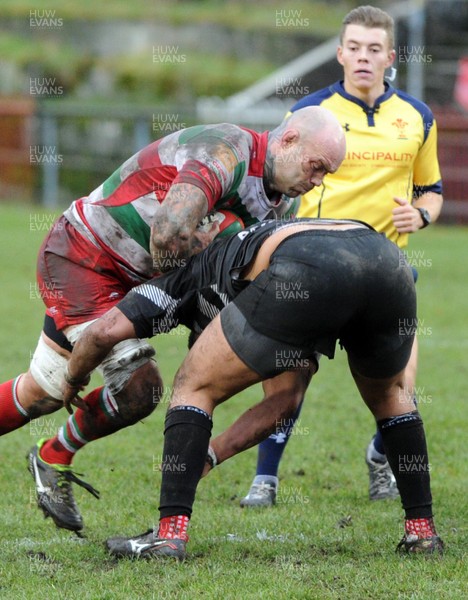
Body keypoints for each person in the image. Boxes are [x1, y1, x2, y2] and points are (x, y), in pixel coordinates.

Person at [0, 106, 345, 533]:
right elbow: (166, 235)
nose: (318, 181)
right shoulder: (226, 153)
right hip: (86, 258)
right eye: (317, 167)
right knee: (141, 388)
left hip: (138, 275)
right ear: (289, 140)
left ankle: (50, 455)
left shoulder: (284, 202)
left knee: (44, 392)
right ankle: (54, 454)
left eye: (326, 174)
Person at [59, 218, 443, 559]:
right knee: (393, 398)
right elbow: (284, 401)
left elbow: (103, 332)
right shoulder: (251, 248)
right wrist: (210, 454)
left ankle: (169, 535)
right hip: (386, 260)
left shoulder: (186, 276)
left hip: (309, 263)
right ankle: (422, 534)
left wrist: (73, 378)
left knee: (192, 385)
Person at [240, 4, 444, 508]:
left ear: (390, 56)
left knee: (400, 390)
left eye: (374, 50)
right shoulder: (310, 113)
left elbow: (431, 189)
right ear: (339, 53)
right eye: (353, 48)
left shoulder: (417, 116)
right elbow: (277, 184)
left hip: (385, 276)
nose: (363, 58)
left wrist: (420, 215)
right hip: (311, 268)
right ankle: (265, 478)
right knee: (285, 380)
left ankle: (380, 456)